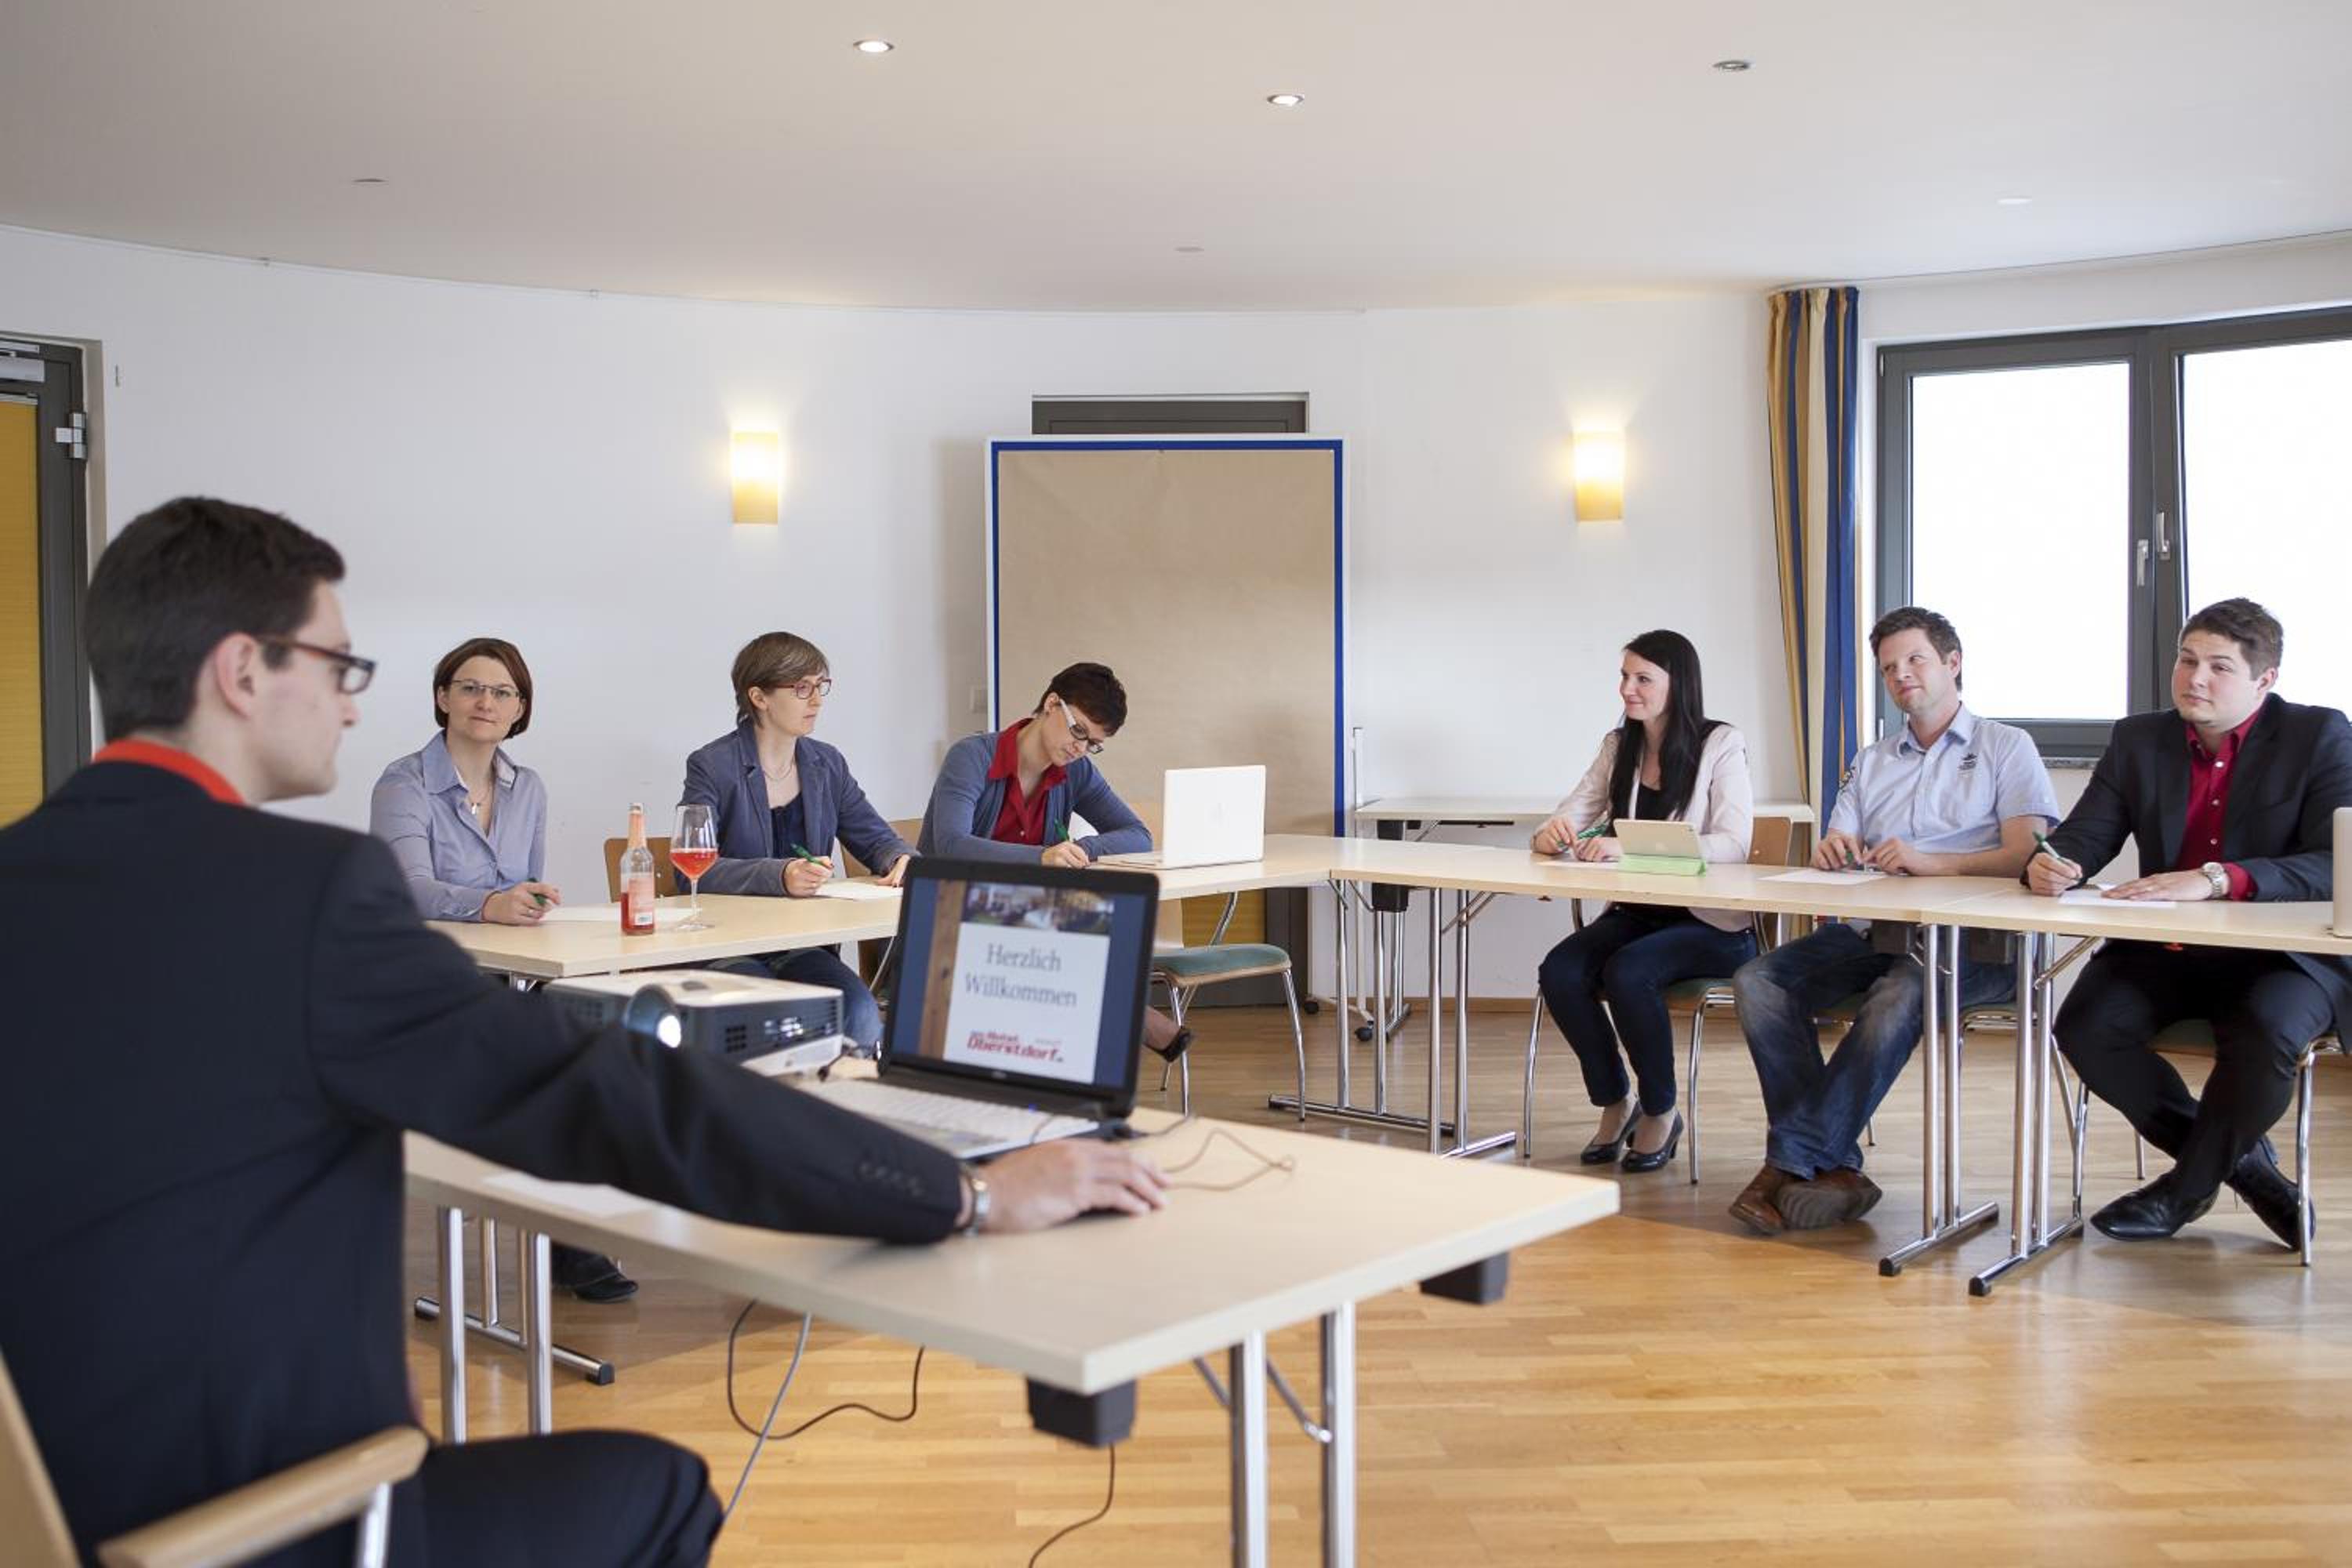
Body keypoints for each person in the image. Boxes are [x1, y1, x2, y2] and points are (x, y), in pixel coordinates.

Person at [0, 497, 1168, 1568]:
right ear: (241, 670)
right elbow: (607, 1094)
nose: (354, 700)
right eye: (339, 664)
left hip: (51, 1497)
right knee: (661, 1489)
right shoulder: (307, 891)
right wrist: (962, 1190)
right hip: (255, 1521)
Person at [2028, 598, 2352, 1246]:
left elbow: (2335, 862)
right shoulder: (2139, 738)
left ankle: (2184, 1192)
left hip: (2281, 957)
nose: (2194, 678)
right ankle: (2249, 1171)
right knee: (2086, 1028)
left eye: (2219, 667)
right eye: (2186, 660)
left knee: (2265, 1033)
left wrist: (2218, 878)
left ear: (2265, 680)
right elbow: (2086, 835)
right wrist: (2054, 862)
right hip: (2167, 950)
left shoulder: (2319, 735)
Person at [1728, 606, 2058, 1234]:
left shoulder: (2005, 746)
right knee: (1760, 981)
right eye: (1888, 667)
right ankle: (1833, 1167)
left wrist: (1933, 864)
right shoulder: (1873, 759)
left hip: (1979, 947)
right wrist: (1833, 852)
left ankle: (1787, 1164)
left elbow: (2026, 853)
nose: (1900, 674)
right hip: (1878, 932)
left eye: (1914, 660)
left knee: (1898, 993)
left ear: (1953, 663)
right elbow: (1841, 838)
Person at [369, 636, 637, 1305]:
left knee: (601, 1039)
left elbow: (526, 886)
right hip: (430, 985)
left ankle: (568, 1222)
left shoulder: (529, 788)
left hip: (510, 976)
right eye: (470, 687)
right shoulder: (403, 784)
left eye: (502, 692)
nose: (485, 702)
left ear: (520, 709)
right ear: (443, 697)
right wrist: (489, 904)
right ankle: (566, 1236)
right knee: (541, 1059)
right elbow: (407, 890)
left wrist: (529, 900)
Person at [1532, 631, 1755, 1172]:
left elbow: (1733, 844)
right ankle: (1616, 1100)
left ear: (1678, 686)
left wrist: (1627, 848)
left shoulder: (1721, 743)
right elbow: (1569, 813)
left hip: (1713, 927)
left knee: (1630, 972)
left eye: (1643, 679)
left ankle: (1661, 1110)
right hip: (1637, 915)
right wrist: (1549, 835)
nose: (1627, 689)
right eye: (1625, 677)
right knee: (1560, 970)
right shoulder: (1619, 746)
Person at [918, 662, 1189, 1061]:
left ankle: (1075, 1059)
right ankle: (1139, 1023)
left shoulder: (1076, 771)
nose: (1080, 748)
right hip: (949, 914)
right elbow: (951, 845)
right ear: (1051, 705)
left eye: (1093, 743)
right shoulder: (972, 756)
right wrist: (1043, 857)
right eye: (1079, 731)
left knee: (1088, 933)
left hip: (1026, 918)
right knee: (1076, 946)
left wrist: (1084, 849)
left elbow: (1137, 834)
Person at [678, 632, 912, 1053]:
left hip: (803, 945)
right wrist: (780, 875)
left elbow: (875, 837)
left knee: (859, 1012)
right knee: (768, 1017)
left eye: (821, 686)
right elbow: (693, 870)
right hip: (732, 945)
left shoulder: (827, 763)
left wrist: (901, 857)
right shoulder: (712, 765)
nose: (817, 700)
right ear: (759, 697)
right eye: (802, 688)